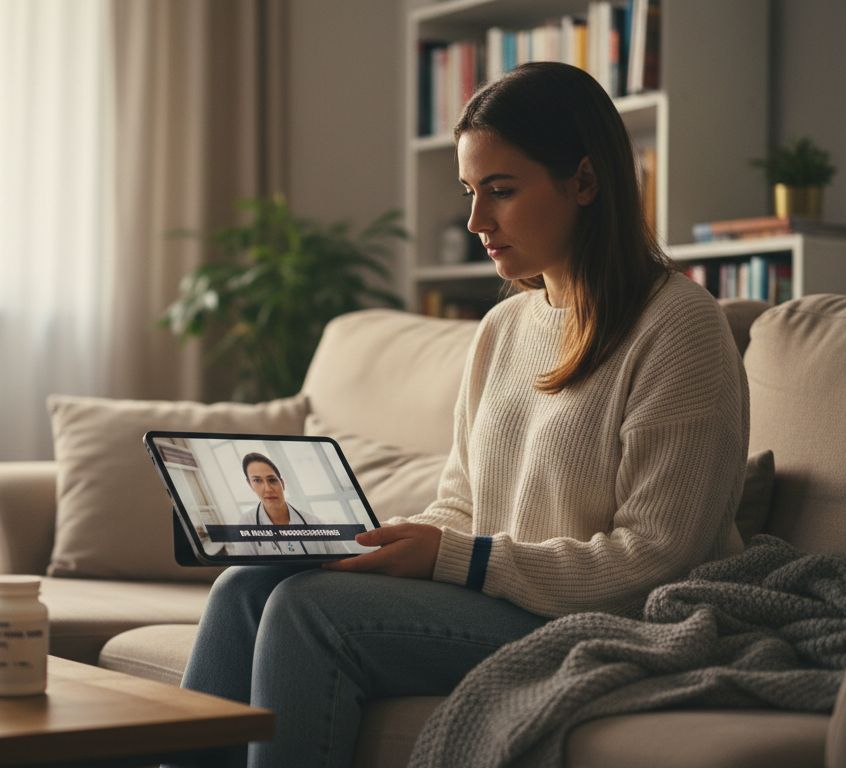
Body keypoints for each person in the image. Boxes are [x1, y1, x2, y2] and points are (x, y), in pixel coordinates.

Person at [167, 61, 748, 768]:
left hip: (609, 619)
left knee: (307, 612)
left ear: (586, 183)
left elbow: (655, 560)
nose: (476, 222)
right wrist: (379, 545)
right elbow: (462, 503)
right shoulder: (503, 330)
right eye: (471, 192)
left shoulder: (679, 326)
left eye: (501, 191)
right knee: (246, 588)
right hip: (504, 597)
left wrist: (454, 558)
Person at [233, 452, 352, 557]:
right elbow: (246, 572)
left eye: (272, 480)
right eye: (257, 481)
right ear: (250, 485)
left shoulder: (315, 523)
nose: (268, 488)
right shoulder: (246, 523)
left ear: (282, 484)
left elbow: (346, 560)